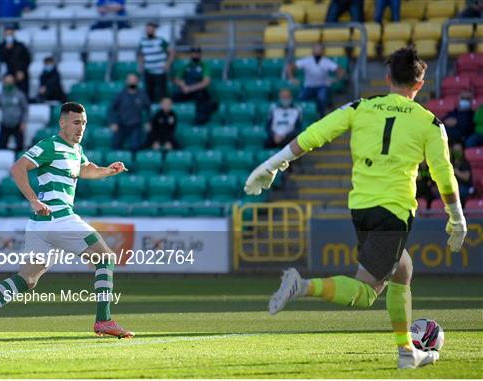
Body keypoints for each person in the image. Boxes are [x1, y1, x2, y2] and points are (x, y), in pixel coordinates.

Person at [244, 47, 466, 369]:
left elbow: (314, 135)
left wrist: (272, 164)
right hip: (393, 210)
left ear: (387, 78)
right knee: (366, 292)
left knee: (402, 269)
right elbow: (444, 174)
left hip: (361, 208)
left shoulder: (361, 107)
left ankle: (407, 351)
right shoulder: (429, 123)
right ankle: (302, 285)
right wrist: (457, 219)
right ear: (420, 84)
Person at [0, 102, 134, 345]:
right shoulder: (49, 145)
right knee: (105, 258)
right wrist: (33, 199)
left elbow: (85, 170)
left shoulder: (76, 150)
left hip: (41, 225)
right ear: (62, 122)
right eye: (76, 122)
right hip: (58, 217)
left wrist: (108, 171)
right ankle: (103, 319)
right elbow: (17, 168)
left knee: (28, 279)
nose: (81, 127)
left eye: (84, 123)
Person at [288, 43, 345, 117]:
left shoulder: (326, 61)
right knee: (300, 98)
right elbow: (290, 67)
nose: (317, 52)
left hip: (323, 86)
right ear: (312, 51)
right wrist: (292, 78)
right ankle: (300, 116)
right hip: (309, 86)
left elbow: (341, 70)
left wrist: (336, 79)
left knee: (321, 98)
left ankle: (321, 115)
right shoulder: (306, 60)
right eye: (316, 49)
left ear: (323, 52)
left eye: (319, 50)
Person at [172, 46, 216, 125]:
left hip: (198, 91)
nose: (195, 55)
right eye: (193, 53)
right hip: (186, 90)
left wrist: (190, 88)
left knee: (203, 100)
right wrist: (182, 85)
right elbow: (177, 79)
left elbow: (206, 82)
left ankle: (199, 121)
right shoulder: (186, 65)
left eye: (197, 53)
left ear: (200, 54)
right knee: (173, 97)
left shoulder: (204, 65)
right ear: (190, 54)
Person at [109, 73, 151, 151]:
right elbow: (112, 108)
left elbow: (148, 108)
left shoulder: (142, 94)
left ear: (137, 81)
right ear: (126, 81)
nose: (132, 82)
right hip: (122, 124)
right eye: (130, 80)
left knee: (135, 146)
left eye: (134, 80)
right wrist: (113, 122)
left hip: (136, 125)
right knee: (115, 145)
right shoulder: (121, 94)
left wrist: (148, 122)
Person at [137, 22, 174, 103]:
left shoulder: (160, 41)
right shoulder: (142, 41)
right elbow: (140, 54)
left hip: (160, 72)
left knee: (162, 93)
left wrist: (168, 64)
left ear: (154, 30)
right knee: (149, 93)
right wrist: (141, 64)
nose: (149, 31)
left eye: (150, 29)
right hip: (148, 72)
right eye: (147, 29)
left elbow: (171, 52)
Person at [0, 73, 29, 152]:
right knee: (1, 146)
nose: (8, 84)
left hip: (17, 124)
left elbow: (25, 109)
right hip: (5, 124)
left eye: (10, 82)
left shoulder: (19, 94)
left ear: (14, 82)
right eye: (7, 82)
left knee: (20, 147)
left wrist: (24, 122)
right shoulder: (1, 95)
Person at [0, 26, 31, 98]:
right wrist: (6, 50)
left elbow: (27, 60)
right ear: (4, 35)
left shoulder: (21, 45)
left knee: (22, 81)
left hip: (21, 71)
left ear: (14, 34)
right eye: (7, 35)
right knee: (7, 80)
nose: (9, 36)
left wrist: (21, 70)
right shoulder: (2, 46)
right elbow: (1, 59)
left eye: (10, 34)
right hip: (9, 72)